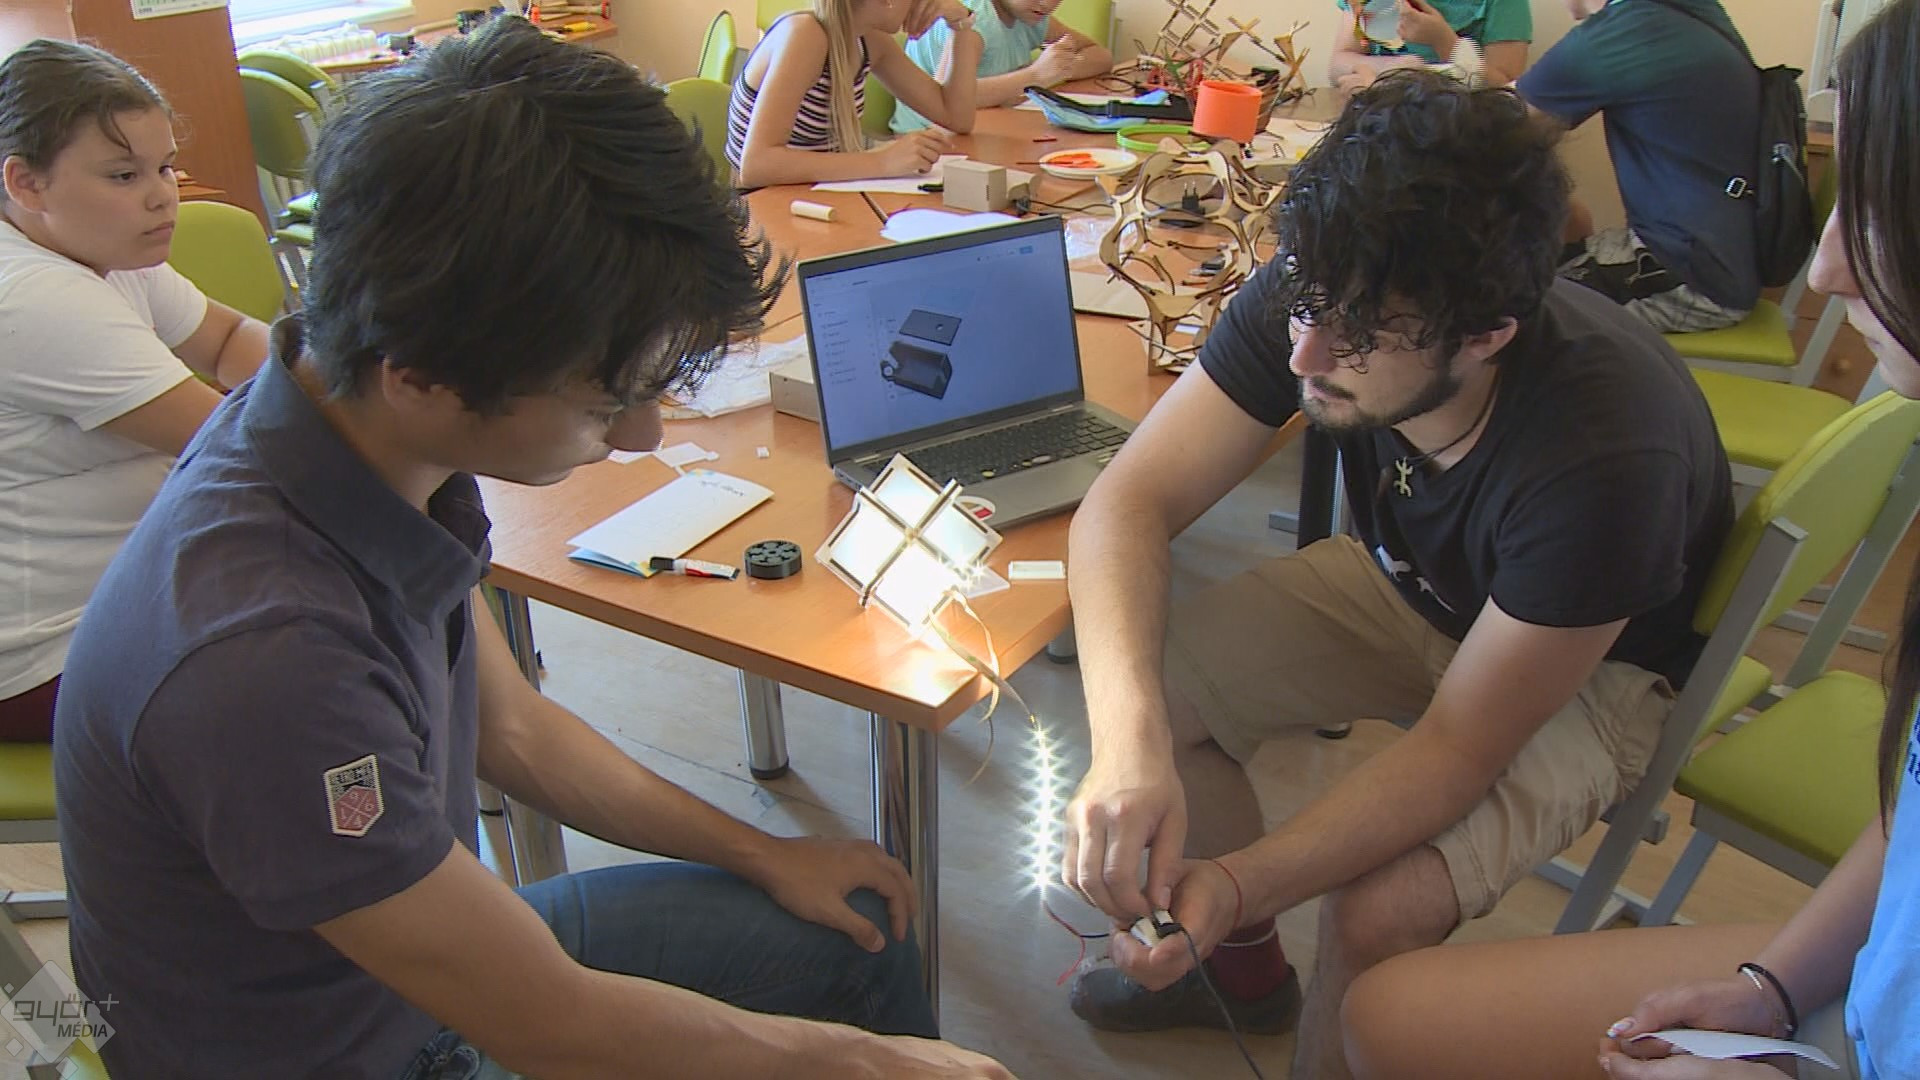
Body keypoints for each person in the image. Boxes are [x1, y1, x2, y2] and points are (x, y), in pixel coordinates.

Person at [52, 20, 1011, 1079]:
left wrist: (765, 852)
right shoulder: (262, 657)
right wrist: (867, 1065)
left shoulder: (356, 432)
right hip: (354, 1052)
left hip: (411, 969)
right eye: (605, 400)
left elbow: (515, 729)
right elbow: (552, 1026)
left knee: (860, 929)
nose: (641, 435)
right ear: (422, 376)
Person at [1058, 69, 1733, 1080]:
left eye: (1363, 335)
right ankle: (1238, 973)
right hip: (1412, 584)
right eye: (1306, 303)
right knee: (1151, 688)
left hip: (1588, 669)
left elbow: (1459, 747)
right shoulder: (1333, 284)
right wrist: (1126, 750)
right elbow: (1126, 504)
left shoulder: (1606, 455)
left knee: (1378, 909)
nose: (1306, 353)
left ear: (1487, 335)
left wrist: (1237, 883)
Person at [1342, 2, 1920, 1077]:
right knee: (1381, 1018)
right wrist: (1773, 989)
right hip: (1854, 991)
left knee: (1514, 299)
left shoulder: (1635, 28)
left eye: (1878, 213)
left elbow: (1497, 149)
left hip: (1691, 278)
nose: (1828, 273)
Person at [0, 40, 268, 744]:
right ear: (26, 183)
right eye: (123, 175)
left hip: (136, 597)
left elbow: (227, 338)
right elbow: (246, 445)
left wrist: (334, 380)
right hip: (51, 654)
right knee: (342, 652)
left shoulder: (103, 247)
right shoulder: (33, 297)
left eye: (164, 167)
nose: (161, 195)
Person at [1516, 0, 1761, 334]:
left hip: (1688, 280)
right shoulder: (1687, 13)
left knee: (1497, 310)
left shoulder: (1628, 29)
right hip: (1713, 260)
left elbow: (1499, 132)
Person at [726, 0, 984, 187]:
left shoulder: (869, 40)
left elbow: (956, 117)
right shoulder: (804, 35)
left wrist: (960, 23)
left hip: (813, 196)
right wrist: (882, 161)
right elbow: (757, 166)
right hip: (760, 208)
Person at [889, 0, 1112, 135]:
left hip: (986, 125)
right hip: (929, 138)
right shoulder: (975, 20)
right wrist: (1035, 76)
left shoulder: (1030, 15)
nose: (1046, 4)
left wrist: (1061, 68)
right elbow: (946, 100)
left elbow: (1100, 55)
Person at [1329, 0, 1532, 90]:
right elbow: (1339, 64)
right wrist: (1392, 70)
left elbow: (1506, 90)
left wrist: (1444, 41)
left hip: (1461, 128)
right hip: (1380, 122)